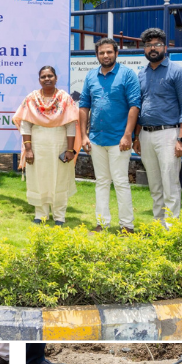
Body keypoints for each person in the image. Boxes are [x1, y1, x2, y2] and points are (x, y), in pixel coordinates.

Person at [77, 37, 141, 233]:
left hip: (119, 139)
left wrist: (127, 135)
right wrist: (84, 136)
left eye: (109, 52)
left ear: (116, 53)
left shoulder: (127, 75)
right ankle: (102, 223)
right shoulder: (90, 76)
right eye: (102, 52)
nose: (105, 55)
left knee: (121, 182)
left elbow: (134, 106)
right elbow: (83, 106)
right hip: (96, 138)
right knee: (101, 182)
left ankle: (127, 226)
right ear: (97, 55)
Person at [135, 28, 182, 226]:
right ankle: (159, 225)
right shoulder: (140, 74)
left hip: (169, 133)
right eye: (149, 45)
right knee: (154, 184)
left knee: (170, 183)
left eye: (157, 44)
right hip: (146, 134)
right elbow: (138, 108)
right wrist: (136, 137)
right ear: (144, 49)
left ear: (165, 47)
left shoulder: (177, 72)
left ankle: (172, 228)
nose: (153, 48)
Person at [16, 65, 80, 225]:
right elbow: (25, 124)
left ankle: (59, 216)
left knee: (60, 178)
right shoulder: (31, 99)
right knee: (39, 178)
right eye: (43, 77)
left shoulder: (65, 99)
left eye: (50, 76)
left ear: (56, 78)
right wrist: (28, 149)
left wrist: (70, 149)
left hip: (60, 144)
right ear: (39, 80)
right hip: (37, 145)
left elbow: (71, 125)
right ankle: (41, 214)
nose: (47, 79)